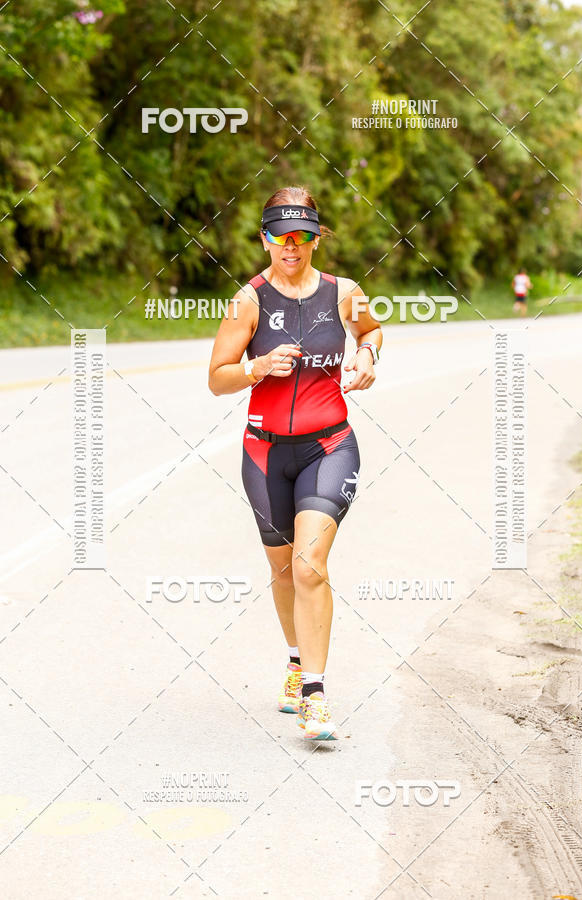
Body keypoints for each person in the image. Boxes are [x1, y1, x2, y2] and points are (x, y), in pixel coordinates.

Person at [208, 186, 382, 740]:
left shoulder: (344, 293)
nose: (292, 246)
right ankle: (294, 659)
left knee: (309, 566)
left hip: (330, 445)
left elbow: (372, 329)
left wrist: (368, 354)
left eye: (303, 236)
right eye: (281, 236)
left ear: (315, 239)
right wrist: (257, 367)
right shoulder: (249, 301)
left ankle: (315, 692)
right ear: (265, 240)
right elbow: (217, 378)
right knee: (283, 570)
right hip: (264, 453)